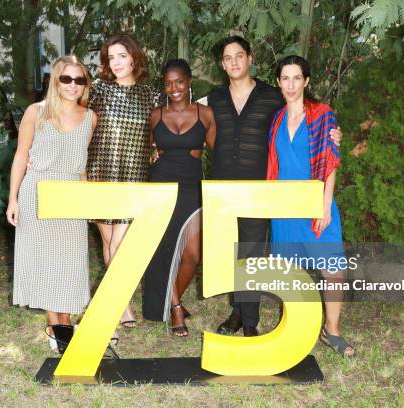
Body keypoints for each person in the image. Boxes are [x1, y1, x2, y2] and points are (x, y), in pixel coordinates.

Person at [209, 36, 343, 337]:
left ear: (250, 59)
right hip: (244, 193)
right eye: (228, 57)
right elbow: (202, 127)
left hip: (278, 193)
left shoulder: (277, 100)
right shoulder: (219, 99)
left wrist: (335, 136)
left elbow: (324, 145)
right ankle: (242, 314)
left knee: (262, 254)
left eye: (239, 56)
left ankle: (321, 328)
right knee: (243, 256)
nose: (234, 62)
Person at [7, 55, 97, 352]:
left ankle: (66, 322)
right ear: (56, 80)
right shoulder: (37, 112)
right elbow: (21, 156)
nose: (73, 85)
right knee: (45, 262)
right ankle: (57, 330)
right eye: (66, 79)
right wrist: (13, 199)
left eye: (79, 80)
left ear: (85, 84)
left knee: (70, 264)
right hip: (37, 191)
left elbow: (82, 165)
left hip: (71, 192)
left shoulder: (90, 117)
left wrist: (87, 202)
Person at [267, 55, 354, 356]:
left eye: (296, 78)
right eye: (285, 78)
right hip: (284, 207)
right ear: (278, 82)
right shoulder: (277, 119)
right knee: (291, 272)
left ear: (306, 81)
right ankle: (294, 329)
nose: (290, 85)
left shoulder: (322, 115)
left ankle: (332, 330)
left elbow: (330, 161)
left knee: (332, 269)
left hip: (316, 203)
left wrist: (325, 205)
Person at [86, 34, 160, 330]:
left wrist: (158, 148)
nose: (116, 62)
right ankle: (122, 304)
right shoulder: (98, 90)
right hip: (101, 172)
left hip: (134, 175)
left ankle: (115, 298)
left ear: (134, 58)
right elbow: (82, 126)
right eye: (111, 57)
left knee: (121, 242)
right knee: (108, 241)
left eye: (121, 56)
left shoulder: (150, 93)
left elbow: (158, 131)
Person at [142, 59, 216, 336]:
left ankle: (173, 299)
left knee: (192, 255)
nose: (174, 88)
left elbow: (219, 152)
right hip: (160, 186)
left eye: (179, 81)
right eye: (168, 83)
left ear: (189, 82)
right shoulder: (155, 115)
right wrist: (151, 154)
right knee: (164, 251)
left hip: (192, 188)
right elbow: (147, 151)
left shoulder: (206, 114)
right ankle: (175, 308)